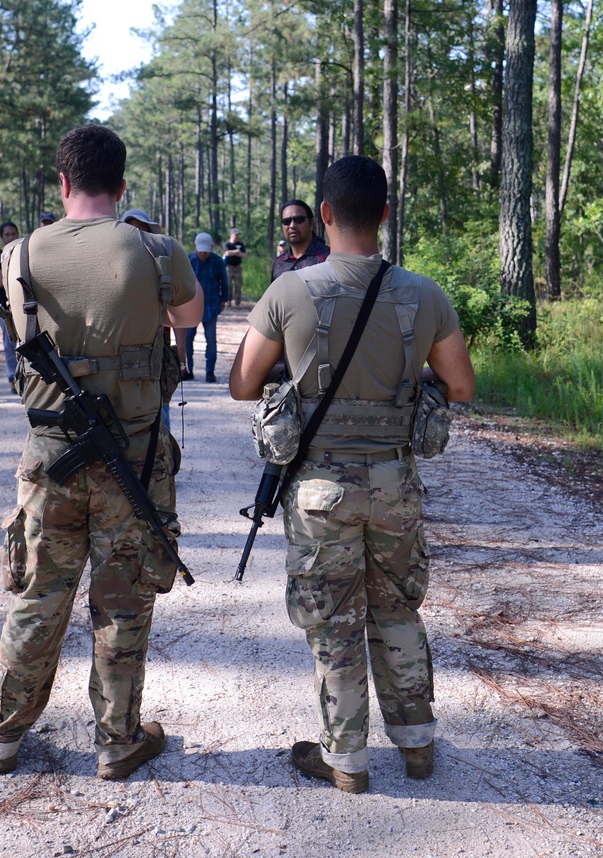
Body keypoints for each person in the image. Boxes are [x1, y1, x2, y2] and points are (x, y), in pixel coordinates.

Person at [229, 155, 475, 794]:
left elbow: (241, 384)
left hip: (319, 488)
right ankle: (418, 744)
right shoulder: (424, 295)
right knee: (396, 607)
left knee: (334, 618)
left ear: (326, 215)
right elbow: (462, 384)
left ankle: (348, 759)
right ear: (385, 214)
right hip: (394, 481)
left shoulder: (290, 291)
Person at [0, 125, 203, 779]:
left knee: (39, 597)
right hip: (132, 455)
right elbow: (187, 321)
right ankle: (117, 739)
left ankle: (2, 733)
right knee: (123, 601)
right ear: (123, 184)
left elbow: (22, 328)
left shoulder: (20, 256)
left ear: (63, 183)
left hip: (49, 453)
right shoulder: (157, 251)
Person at [120, 208, 189, 431]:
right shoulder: (113, 267)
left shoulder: (163, 268)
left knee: (161, 411)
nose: (136, 235)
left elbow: (179, 311)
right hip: (121, 356)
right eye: (131, 230)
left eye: (141, 230)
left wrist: (181, 351)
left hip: (157, 354)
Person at [186, 232, 228, 383]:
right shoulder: (188, 260)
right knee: (187, 339)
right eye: (200, 250)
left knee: (211, 340)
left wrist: (223, 299)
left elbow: (224, 281)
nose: (203, 253)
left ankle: (210, 371)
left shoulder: (217, 262)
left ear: (211, 248)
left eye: (206, 250)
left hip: (211, 305)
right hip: (190, 306)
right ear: (195, 247)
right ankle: (188, 370)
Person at [0, 221, 21, 387]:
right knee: (9, 343)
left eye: (13, 234)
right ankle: (12, 377)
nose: (10, 237)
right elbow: (0, 280)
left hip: (24, 305)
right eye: (7, 234)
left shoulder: (24, 253)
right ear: (2, 237)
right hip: (4, 307)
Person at [271, 199, 331, 282]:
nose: (292, 225)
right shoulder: (279, 263)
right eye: (286, 221)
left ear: (311, 223)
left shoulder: (327, 258)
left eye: (299, 219)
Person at [224, 227, 246, 306]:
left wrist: (234, 253)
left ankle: (237, 302)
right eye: (235, 235)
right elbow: (227, 253)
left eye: (238, 235)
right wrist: (237, 252)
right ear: (231, 235)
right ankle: (228, 301)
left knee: (238, 284)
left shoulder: (240, 244)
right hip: (229, 266)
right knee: (229, 284)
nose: (237, 236)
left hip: (238, 266)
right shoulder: (227, 244)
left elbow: (243, 254)